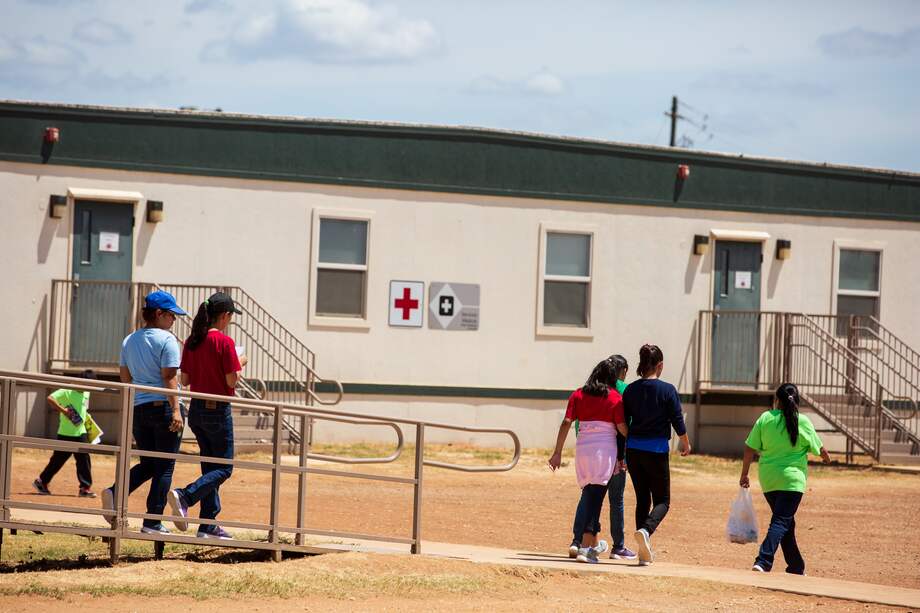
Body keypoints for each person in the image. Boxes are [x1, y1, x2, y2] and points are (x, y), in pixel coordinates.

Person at [101, 290, 186, 535]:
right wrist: (176, 410)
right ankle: (152, 522)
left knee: (149, 463)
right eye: (171, 315)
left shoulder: (129, 340)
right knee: (165, 466)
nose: (174, 320)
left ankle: (116, 492)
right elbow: (169, 377)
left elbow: (126, 378)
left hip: (139, 408)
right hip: (163, 408)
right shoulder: (167, 340)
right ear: (158, 314)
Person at [168, 292, 246, 540]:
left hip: (197, 409)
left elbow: (186, 379)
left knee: (210, 466)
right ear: (224, 316)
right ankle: (186, 495)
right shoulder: (225, 343)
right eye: (231, 317)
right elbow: (231, 380)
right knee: (224, 468)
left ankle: (208, 523)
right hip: (218, 409)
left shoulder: (192, 341)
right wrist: (240, 362)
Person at [740, 383, 831, 575]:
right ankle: (763, 561)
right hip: (792, 482)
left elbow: (750, 447)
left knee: (786, 522)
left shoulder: (765, 418)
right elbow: (820, 449)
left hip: (769, 480)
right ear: (796, 401)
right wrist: (826, 458)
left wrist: (745, 474)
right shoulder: (803, 421)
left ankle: (796, 566)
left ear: (777, 401)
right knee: (781, 521)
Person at [549, 359, 628, 563]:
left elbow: (567, 422)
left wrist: (557, 452)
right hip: (605, 451)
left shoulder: (578, 394)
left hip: (583, 449)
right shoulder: (614, 398)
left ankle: (587, 542)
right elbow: (621, 427)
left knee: (589, 493)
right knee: (597, 495)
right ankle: (585, 548)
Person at [623, 344, 690, 566]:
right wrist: (686, 444)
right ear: (659, 365)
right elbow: (677, 421)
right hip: (656, 451)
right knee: (662, 500)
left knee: (643, 498)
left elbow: (624, 422)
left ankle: (643, 552)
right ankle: (645, 530)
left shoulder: (630, 390)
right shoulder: (667, 390)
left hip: (633, 450)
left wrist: (622, 450)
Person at [33, 369, 98, 498]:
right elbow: (50, 398)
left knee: (84, 461)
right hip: (66, 433)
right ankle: (41, 482)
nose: (89, 387)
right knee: (57, 461)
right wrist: (64, 411)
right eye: (88, 384)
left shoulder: (87, 393)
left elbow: (84, 409)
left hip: (81, 433)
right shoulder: (67, 390)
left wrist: (90, 426)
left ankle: (85, 488)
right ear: (80, 381)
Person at [601, 354, 637, 561]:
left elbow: (580, 423)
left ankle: (582, 541)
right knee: (617, 500)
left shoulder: (594, 388)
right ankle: (618, 546)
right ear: (623, 371)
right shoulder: (624, 390)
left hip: (595, 451)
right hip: (618, 451)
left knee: (591, 497)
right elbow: (628, 422)